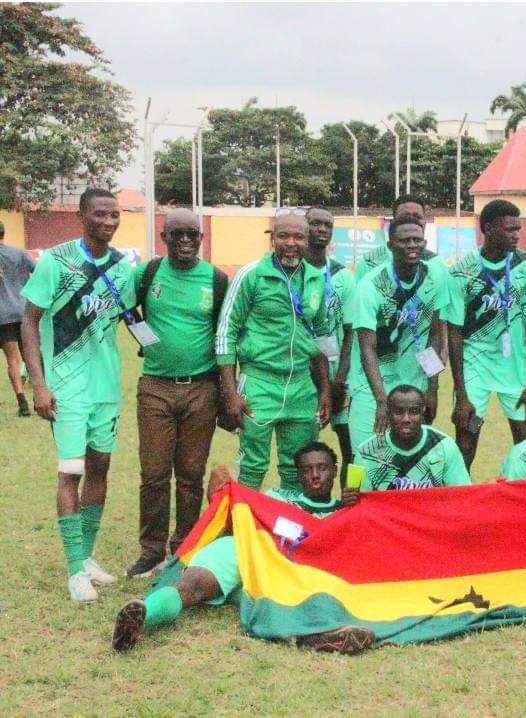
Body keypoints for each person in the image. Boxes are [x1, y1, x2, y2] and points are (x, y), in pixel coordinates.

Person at [112, 442, 374, 655]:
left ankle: (317, 636)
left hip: (292, 577)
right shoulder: (277, 499)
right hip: (255, 559)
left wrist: (354, 508)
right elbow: (233, 520)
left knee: (310, 592)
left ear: (334, 470)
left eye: (322, 468)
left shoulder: (344, 511)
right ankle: (142, 616)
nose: (315, 475)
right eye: (307, 470)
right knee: (194, 583)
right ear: (298, 475)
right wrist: (217, 494)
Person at [20, 188, 137, 602]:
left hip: (106, 386)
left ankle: (87, 557)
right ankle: (74, 569)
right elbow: (29, 323)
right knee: (71, 471)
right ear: (82, 215)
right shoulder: (57, 260)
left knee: (101, 467)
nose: (108, 221)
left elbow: (132, 318)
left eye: (114, 215)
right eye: (99, 214)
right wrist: (39, 384)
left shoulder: (124, 268)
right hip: (66, 387)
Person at [127, 208, 229, 579]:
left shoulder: (216, 279)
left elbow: (224, 334)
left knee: (190, 475)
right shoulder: (148, 273)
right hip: (155, 387)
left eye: (192, 235)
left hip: (201, 389)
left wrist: (226, 393)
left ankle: (184, 546)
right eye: (177, 235)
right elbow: (127, 310)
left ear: (201, 239)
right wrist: (146, 342)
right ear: (164, 237)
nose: (185, 241)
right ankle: (150, 551)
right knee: (154, 474)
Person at [216, 212, 331, 494]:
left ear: (308, 239)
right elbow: (225, 333)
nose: (291, 243)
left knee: (299, 467)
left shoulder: (316, 279)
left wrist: (325, 390)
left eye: (298, 237)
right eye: (283, 236)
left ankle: (292, 534)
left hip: (302, 387)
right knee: (253, 466)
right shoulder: (251, 275)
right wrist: (230, 392)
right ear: (272, 237)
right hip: (259, 382)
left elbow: (323, 338)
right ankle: (245, 531)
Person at [447, 199, 526, 469]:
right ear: (489, 228)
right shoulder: (461, 272)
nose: (517, 234)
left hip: (515, 369)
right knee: (466, 443)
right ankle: (461, 504)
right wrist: (461, 393)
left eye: (518, 229)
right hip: (474, 368)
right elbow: (454, 332)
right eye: (509, 229)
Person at [347, 217, 448, 452]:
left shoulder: (435, 276)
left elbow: (434, 335)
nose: (412, 245)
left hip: (414, 386)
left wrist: (432, 388)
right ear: (390, 245)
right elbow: (366, 348)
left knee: (409, 458)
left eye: (417, 239)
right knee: (365, 456)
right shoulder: (371, 286)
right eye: (404, 240)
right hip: (371, 388)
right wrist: (381, 400)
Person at [303, 206, 356, 485]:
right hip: (301, 371)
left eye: (327, 225)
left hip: (339, 373)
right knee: (304, 447)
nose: (321, 229)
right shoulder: (293, 273)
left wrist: (339, 380)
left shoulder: (343, 276)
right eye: (315, 224)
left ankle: (350, 510)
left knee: (352, 447)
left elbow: (350, 332)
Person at [356, 385, 470, 490]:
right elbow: (361, 503)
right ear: (388, 413)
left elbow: (462, 496)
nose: (406, 419)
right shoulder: (366, 452)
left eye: (414, 412)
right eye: (399, 412)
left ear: (423, 412)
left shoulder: (444, 446)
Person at [0, 218, 35, 416]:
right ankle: (42, 394)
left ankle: (23, 404)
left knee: (12, 358)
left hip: (2, 315)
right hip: (23, 312)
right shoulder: (20, 253)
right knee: (31, 355)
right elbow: (39, 273)